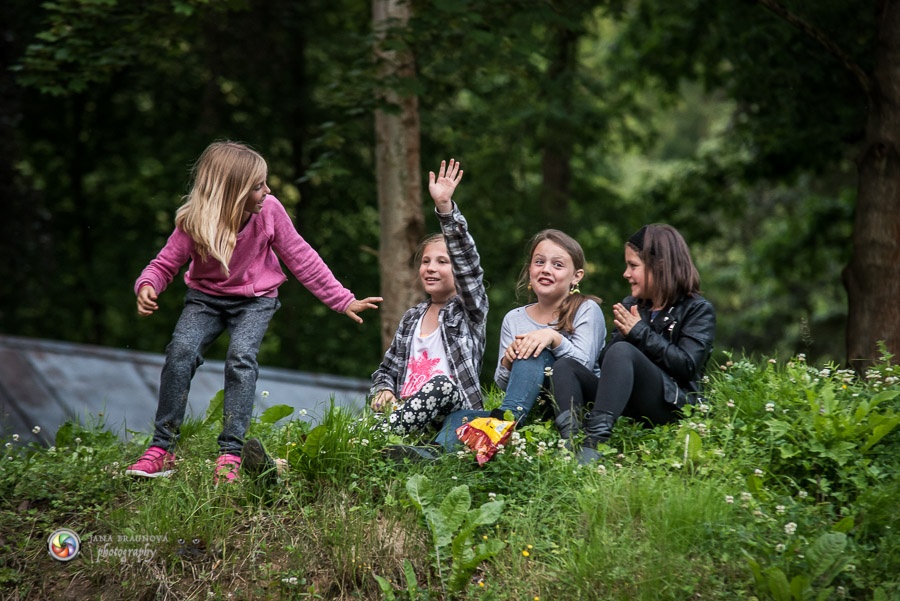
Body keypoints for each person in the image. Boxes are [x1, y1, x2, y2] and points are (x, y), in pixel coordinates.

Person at [124, 141, 381, 482]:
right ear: (234, 192)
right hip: (205, 298)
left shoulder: (270, 211)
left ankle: (230, 453)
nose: (268, 190)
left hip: (256, 299)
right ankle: (162, 449)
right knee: (180, 352)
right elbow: (165, 262)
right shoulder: (194, 220)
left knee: (241, 357)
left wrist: (342, 299)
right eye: (259, 186)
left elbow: (301, 257)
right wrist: (148, 285)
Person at [550, 224, 716, 464]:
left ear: (660, 266)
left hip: (671, 407)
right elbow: (607, 363)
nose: (626, 274)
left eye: (633, 265)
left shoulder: (698, 310)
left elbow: (687, 366)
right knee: (565, 365)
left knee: (622, 350)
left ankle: (593, 444)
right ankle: (570, 443)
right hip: (626, 400)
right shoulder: (633, 305)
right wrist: (629, 333)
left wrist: (640, 332)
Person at [433, 229, 606, 452]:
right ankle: (434, 452)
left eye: (558, 265)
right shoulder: (514, 319)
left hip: (576, 405)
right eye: (539, 262)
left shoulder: (586, 310)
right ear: (530, 270)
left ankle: (504, 424)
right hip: (531, 408)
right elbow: (502, 383)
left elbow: (585, 365)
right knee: (459, 417)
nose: (546, 270)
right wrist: (507, 360)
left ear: (577, 276)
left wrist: (553, 338)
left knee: (534, 351)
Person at [370, 158, 488, 436]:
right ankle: (282, 466)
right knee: (346, 432)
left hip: (455, 416)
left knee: (441, 384)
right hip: (405, 414)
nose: (431, 268)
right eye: (426, 261)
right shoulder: (412, 318)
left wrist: (446, 210)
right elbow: (385, 370)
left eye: (442, 262)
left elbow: (468, 265)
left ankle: (378, 438)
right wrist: (384, 390)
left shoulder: (469, 311)